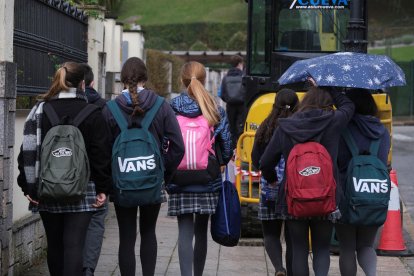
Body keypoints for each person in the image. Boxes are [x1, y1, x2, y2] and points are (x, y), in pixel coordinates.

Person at [17, 61, 112, 276]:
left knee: (55, 245)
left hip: (47, 189)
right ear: (82, 84)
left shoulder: (40, 110)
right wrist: (103, 189)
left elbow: (27, 152)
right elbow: (101, 155)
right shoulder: (93, 112)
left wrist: (29, 188)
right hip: (83, 189)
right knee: (74, 245)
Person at [102, 57, 185, 276]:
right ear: (146, 79)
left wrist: (111, 179)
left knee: (126, 237)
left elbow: (102, 149)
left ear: (122, 80)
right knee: (149, 232)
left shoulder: (110, 109)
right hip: (151, 181)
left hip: (122, 183)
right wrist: (163, 172)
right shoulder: (161, 106)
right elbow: (178, 146)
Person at [260, 86, 355, 276]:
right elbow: (348, 105)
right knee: (321, 248)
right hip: (327, 196)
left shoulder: (286, 125)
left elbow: (265, 162)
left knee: (299, 249)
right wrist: (331, 87)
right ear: (327, 103)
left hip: (294, 197)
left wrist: (272, 179)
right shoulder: (333, 121)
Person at [167, 61, 232, 276]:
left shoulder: (171, 107)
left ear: (181, 80)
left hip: (179, 176)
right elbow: (227, 144)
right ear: (203, 79)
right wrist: (221, 162)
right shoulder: (214, 107)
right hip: (207, 177)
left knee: (184, 230)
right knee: (201, 230)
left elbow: (163, 141)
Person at [335, 89, 390, 276]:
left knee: (347, 247)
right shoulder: (382, 132)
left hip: (346, 195)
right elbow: (384, 162)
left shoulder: (342, 129)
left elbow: (338, 162)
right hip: (375, 194)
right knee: (367, 245)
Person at [251, 89, 299, 276]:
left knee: (270, 234)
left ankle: (279, 268)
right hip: (294, 190)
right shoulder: (299, 127)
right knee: (293, 237)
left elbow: (257, 159)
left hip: (270, 191)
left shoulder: (266, 126)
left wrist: (270, 179)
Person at [80, 63, 109, 276]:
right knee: (96, 221)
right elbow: (104, 149)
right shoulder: (103, 106)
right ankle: (88, 268)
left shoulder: (49, 106)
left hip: (64, 177)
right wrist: (104, 187)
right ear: (91, 82)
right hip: (93, 179)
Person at [219, 54, 245, 148]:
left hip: (230, 105)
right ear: (239, 64)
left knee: (231, 128)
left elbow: (222, 94)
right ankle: (241, 147)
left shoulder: (226, 77)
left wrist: (228, 100)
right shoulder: (244, 76)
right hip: (242, 105)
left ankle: (232, 148)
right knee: (241, 126)